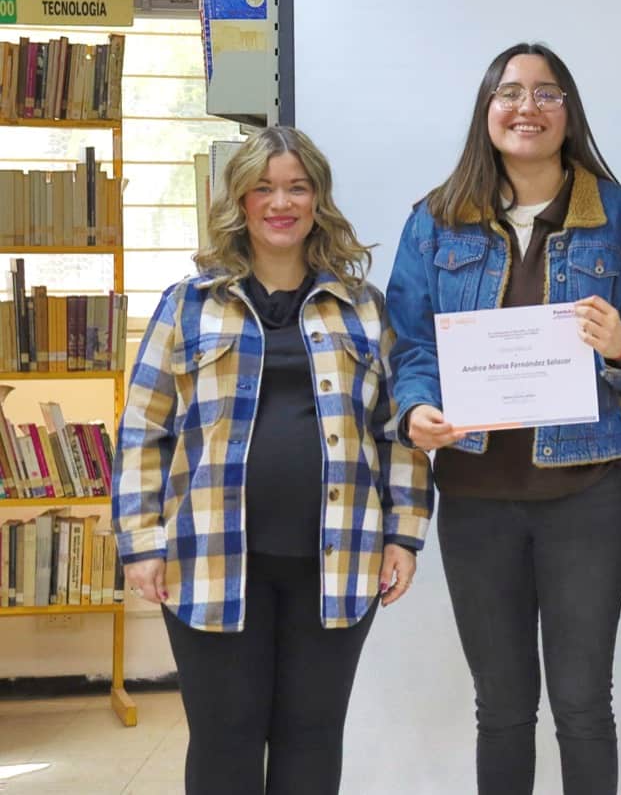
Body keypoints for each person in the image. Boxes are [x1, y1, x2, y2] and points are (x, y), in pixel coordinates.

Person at [385, 42, 621, 795]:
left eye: (546, 93)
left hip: (589, 496)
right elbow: (411, 341)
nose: (527, 107)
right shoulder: (435, 219)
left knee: (584, 704)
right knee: (502, 708)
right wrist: (416, 407)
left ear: (569, 111)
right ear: (487, 111)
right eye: (510, 92)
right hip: (476, 499)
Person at [112, 126, 430, 795]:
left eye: (297, 187)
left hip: (338, 561)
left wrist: (404, 534)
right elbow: (143, 429)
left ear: (318, 199)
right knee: (225, 742)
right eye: (264, 188)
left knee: (312, 741)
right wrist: (141, 542)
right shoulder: (187, 305)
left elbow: (397, 432)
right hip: (208, 560)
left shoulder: (364, 311)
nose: (280, 202)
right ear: (240, 203)